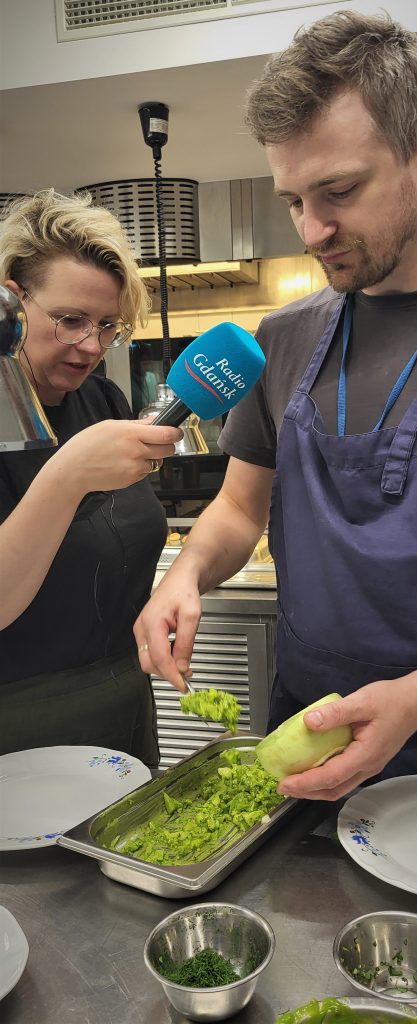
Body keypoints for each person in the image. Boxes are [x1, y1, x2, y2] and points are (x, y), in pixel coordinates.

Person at [134, 11, 417, 794]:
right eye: (293, 199)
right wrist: (185, 574)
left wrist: (416, 699)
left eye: (338, 191)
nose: (312, 229)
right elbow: (238, 510)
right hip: (302, 753)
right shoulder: (284, 337)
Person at [0, 190, 183, 767]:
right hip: (20, 724)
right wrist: (67, 475)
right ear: (10, 300)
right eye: (70, 320)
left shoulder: (102, 400)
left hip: (125, 705)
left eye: (108, 326)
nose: (90, 347)